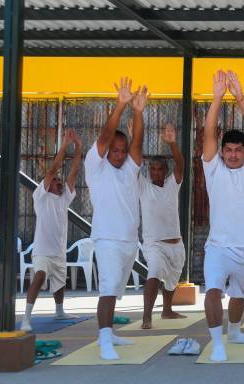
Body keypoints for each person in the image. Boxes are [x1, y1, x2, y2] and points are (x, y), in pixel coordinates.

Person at [202, 70, 244, 361]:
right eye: (227, 150)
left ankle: (235, 332)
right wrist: (217, 98)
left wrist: (241, 99)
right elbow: (207, 134)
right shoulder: (212, 167)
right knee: (213, 292)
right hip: (217, 246)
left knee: (240, 296)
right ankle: (217, 343)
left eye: (237, 150)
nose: (232, 154)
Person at [84, 77, 149, 360]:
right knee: (108, 291)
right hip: (108, 238)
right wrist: (121, 105)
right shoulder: (95, 167)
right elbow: (104, 137)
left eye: (122, 151)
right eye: (115, 151)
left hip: (128, 239)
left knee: (117, 289)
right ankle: (103, 340)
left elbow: (138, 145)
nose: (120, 155)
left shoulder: (129, 168)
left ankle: (109, 333)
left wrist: (138, 111)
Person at [20, 129, 82, 332]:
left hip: (58, 251)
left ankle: (59, 311)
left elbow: (73, 173)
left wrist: (79, 149)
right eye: (56, 180)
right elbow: (53, 168)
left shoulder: (64, 198)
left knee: (59, 282)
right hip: (42, 251)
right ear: (47, 184)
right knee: (39, 277)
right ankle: (26, 318)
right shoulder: (41, 196)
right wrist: (65, 144)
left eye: (59, 180)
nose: (59, 181)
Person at [139, 123, 187, 329]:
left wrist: (172, 143)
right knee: (154, 272)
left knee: (172, 278)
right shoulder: (143, 186)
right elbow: (133, 162)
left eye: (160, 169)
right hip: (154, 243)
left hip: (176, 242)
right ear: (149, 171)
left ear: (165, 171)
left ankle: (167, 310)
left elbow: (180, 165)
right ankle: (146, 317)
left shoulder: (172, 184)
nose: (156, 172)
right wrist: (136, 137)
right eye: (153, 169)